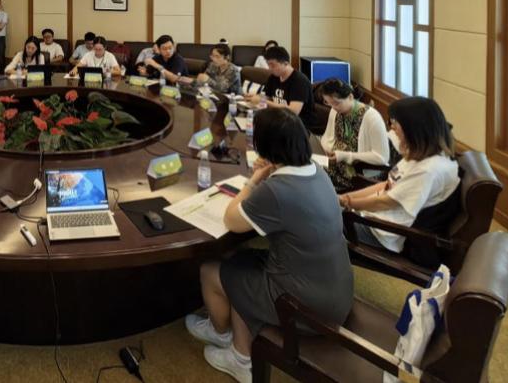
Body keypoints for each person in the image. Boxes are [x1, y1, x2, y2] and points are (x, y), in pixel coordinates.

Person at [186, 107, 353, 382]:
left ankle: (229, 345)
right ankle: (241, 346)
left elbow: (232, 220)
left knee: (209, 271)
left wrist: (254, 181)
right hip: (336, 291)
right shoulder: (317, 171)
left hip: (305, 307)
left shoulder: (277, 189)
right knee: (240, 260)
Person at [339, 97, 460, 252]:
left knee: (317, 223)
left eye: (396, 122)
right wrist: (345, 198)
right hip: (369, 216)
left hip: (381, 232)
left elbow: (385, 202)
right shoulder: (418, 155)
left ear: (414, 128)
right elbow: (387, 185)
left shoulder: (429, 170)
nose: (392, 126)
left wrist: (347, 203)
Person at [318, 78, 389, 192]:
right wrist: (329, 151)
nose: (333, 107)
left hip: (360, 172)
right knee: (313, 175)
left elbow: (381, 157)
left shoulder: (371, 118)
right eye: (328, 103)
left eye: (336, 103)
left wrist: (346, 156)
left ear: (350, 97)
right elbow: (328, 138)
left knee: (321, 185)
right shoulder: (335, 111)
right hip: (338, 165)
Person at [251, 46, 313, 121]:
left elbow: (293, 111)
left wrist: (263, 101)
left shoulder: (300, 81)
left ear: (285, 63)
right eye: (268, 65)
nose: (270, 68)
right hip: (279, 119)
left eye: (273, 65)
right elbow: (268, 96)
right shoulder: (274, 77)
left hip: (297, 123)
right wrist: (256, 97)